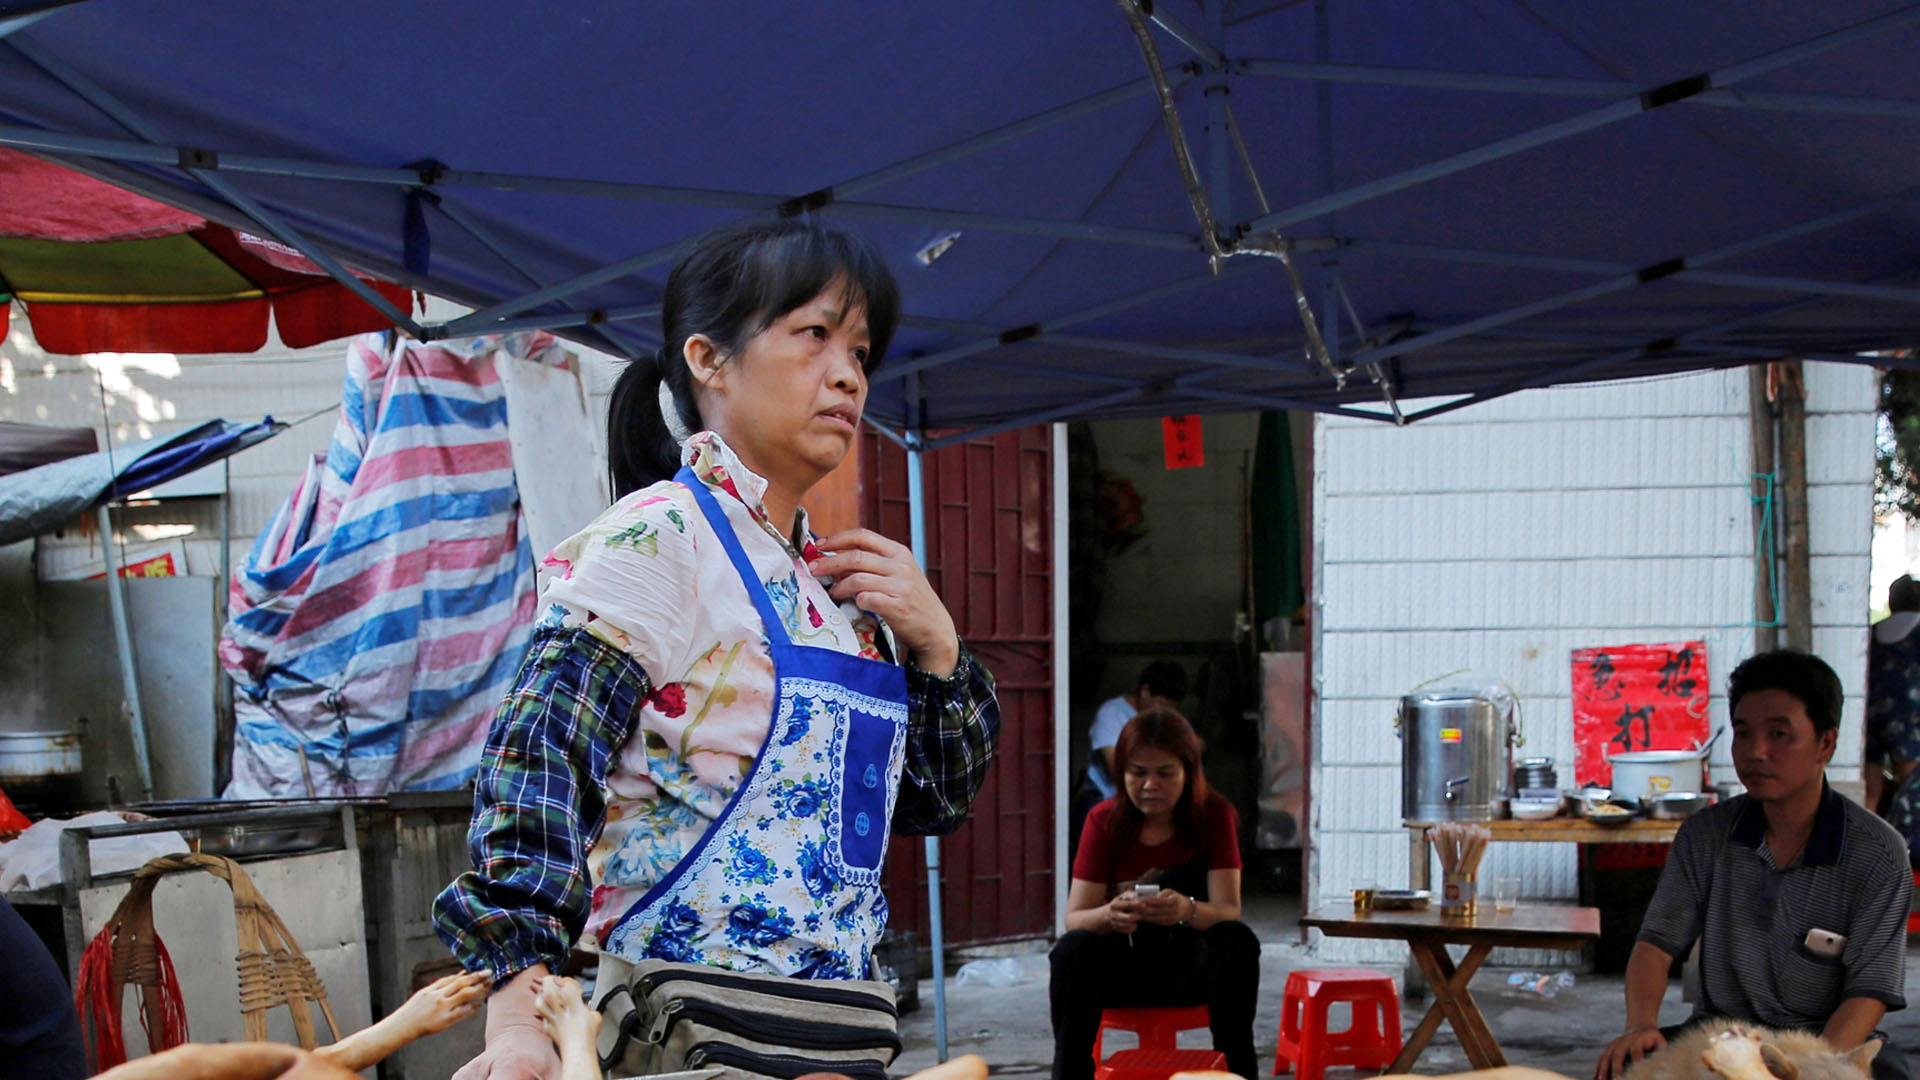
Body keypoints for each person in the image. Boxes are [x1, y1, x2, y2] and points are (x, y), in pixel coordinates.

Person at [433, 218, 1001, 1080]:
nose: (848, 373)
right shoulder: (658, 539)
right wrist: (517, 1017)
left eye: (860, 350)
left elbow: (929, 803)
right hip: (686, 1036)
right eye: (814, 334)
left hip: (836, 1032)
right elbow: (539, 763)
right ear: (708, 359)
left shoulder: (838, 596)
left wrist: (940, 650)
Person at [1594, 650, 1911, 1080]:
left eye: (1779, 734)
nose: (1757, 752)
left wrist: (1806, 1069)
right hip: (1722, 1037)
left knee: (1889, 1074)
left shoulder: (1878, 853)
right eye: (1743, 734)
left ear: (1825, 744)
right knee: (1624, 1065)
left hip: (1823, 1042)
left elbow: (1868, 992)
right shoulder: (1705, 834)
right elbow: (1656, 945)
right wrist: (1640, 1025)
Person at [1050, 708, 1258, 1080]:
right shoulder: (1102, 820)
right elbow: (1075, 918)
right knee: (1071, 950)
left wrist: (1186, 910)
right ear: (1121, 773)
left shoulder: (1214, 815)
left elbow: (1229, 909)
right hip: (1122, 970)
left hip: (1189, 968)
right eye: (1137, 773)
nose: (1150, 785)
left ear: (1188, 773)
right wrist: (1111, 913)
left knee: (1237, 941)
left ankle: (1236, 1073)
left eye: (1165, 773)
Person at [1071, 661, 1187, 853]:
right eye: (1162, 705)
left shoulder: (1164, 721)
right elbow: (1116, 769)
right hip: (1107, 806)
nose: (1165, 713)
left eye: (1172, 709)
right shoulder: (1111, 715)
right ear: (1145, 692)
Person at [1867, 574, 1920, 833]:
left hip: (1870, 710)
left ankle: (1862, 838)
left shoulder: (1873, 630)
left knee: (1870, 789)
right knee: (1911, 783)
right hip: (1906, 714)